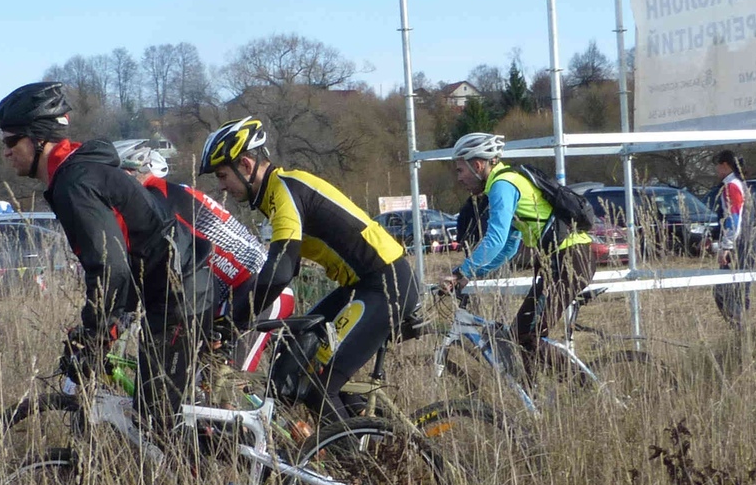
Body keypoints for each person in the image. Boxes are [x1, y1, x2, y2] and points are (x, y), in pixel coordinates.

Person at [207, 116, 419, 420]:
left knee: (319, 388)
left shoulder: (285, 191)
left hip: (385, 285)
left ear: (245, 164)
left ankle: (355, 452)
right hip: (360, 287)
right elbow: (285, 269)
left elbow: (279, 273)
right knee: (292, 365)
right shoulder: (275, 195)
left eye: (222, 175)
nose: (222, 186)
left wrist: (233, 321)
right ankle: (367, 432)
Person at [0, 83, 188, 410]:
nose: (6, 152)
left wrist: (94, 334)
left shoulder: (75, 182)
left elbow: (110, 267)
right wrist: (99, 329)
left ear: (38, 139)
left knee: (157, 418)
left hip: (181, 293)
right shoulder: (76, 172)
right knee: (158, 410)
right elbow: (125, 261)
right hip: (164, 288)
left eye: (11, 141)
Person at [117, 141, 292, 374]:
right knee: (196, 379)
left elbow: (149, 269)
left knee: (225, 381)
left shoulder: (156, 202)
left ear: (129, 174)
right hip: (232, 293)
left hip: (260, 292)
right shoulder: (170, 191)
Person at [433, 131, 594, 363]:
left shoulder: (503, 185)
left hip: (570, 261)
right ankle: (529, 385)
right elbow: (508, 247)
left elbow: (495, 239)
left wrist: (461, 272)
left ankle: (578, 382)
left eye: (460, 170)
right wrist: (471, 274)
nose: (458, 178)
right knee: (519, 337)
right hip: (562, 262)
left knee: (526, 335)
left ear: (477, 165)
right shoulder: (507, 182)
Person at [707, 149, 756, 322]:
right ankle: (740, 327)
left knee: (727, 293)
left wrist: (726, 247)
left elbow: (733, 218)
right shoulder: (739, 184)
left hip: (740, 243)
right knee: (735, 292)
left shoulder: (732, 186)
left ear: (725, 165)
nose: (716, 170)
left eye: (717, 166)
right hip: (744, 241)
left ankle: (740, 327)